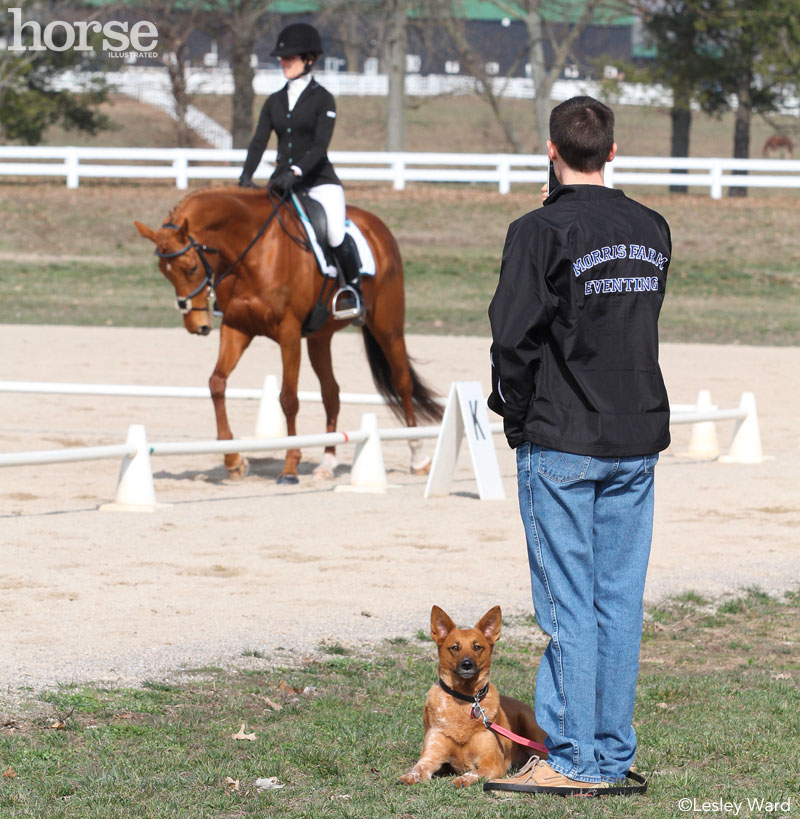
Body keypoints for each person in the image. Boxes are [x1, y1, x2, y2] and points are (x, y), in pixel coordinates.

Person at [484, 96, 671, 795]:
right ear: (614, 152)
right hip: (635, 434)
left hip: (562, 439)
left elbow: (513, 337)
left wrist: (518, 414)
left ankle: (570, 759)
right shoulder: (653, 227)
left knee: (567, 606)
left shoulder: (538, 229)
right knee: (617, 601)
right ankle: (610, 752)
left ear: (550, 150)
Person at [238, 22, 364, 321]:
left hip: (319, 181)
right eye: (282, 58)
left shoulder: (323, 99)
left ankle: (352, 291)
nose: (283, 62)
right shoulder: (274, 101)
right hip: (282, 183)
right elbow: (258, 142)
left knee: (334, 231)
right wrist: (245, 176)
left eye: (290, 58)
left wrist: (295, 172)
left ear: (309, 59)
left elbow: (320, 146)